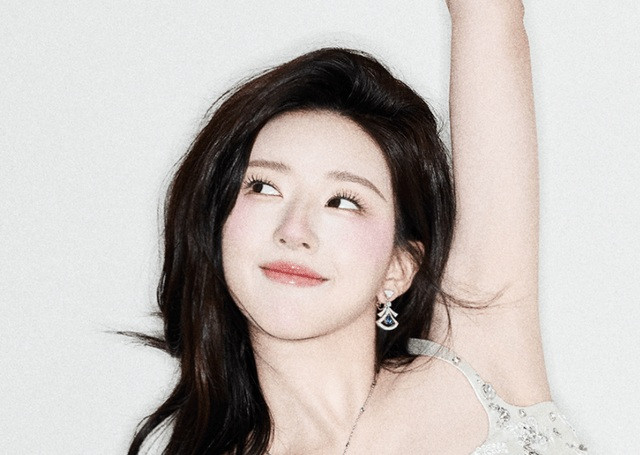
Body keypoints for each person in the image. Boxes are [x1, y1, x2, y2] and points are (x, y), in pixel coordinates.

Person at [126, 1, 588, 454]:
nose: (294, 230)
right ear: (217, 224)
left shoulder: (479, 359)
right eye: (264, 188)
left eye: (343, 201)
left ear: (399, 267)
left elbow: (488, 14)